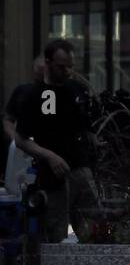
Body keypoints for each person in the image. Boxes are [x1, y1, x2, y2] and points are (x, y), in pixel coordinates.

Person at [11, 40, 98, 242]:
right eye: (62, 66)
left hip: (81, 167)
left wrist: (94, 143)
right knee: (58, 230)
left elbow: (88, 126)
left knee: (93, 227)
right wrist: (49, 156)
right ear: (48, 63)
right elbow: (22, 139)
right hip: (54, 174)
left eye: (70, 66)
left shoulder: (77, 89)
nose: (67, 71)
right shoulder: (34, 95)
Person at [3, 56, 45, 194]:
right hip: (22, 147)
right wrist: (14, 139)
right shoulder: (21, 91)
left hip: (47, 149)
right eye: (38, 72)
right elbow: (8, 119)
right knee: (19, 187)